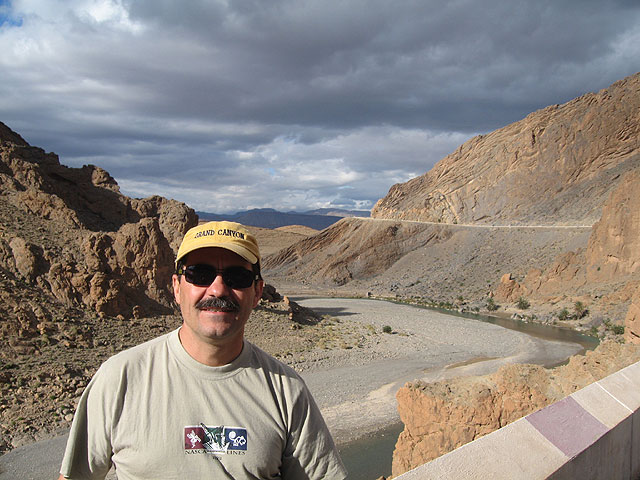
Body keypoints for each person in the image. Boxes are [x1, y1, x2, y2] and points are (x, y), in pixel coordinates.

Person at [58, 221, 347, 479]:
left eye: (237, 277)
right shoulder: (119, 378)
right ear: (176, 287)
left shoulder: (287, 391)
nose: (218, 290)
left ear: (257, 292)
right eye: (200, 274)